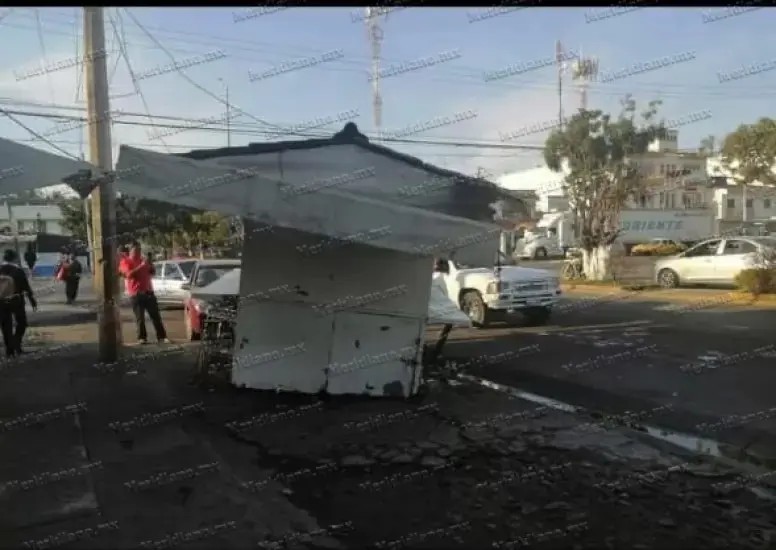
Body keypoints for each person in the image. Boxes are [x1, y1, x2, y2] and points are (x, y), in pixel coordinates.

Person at [119, 241, 170, 345]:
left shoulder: (143, 260)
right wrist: (142, 266)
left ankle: (162, 337)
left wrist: (150, 265)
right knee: (140, 318)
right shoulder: (126, 262)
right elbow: (129, 275)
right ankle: (142, 338)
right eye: (136, 250)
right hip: (136, 293)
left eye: (139, 250)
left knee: (156, 316)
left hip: (148, 292)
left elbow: (152, 272)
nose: (138, 252)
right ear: (131, 251)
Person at [0, 250, 37, 356]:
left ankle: (9, 350)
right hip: (16, 300)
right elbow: (26, 287)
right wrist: (32, 301)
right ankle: (16, 344)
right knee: (21, 323)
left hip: (1, 302)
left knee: (5, 326)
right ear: (15, 258)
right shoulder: (18, 271)